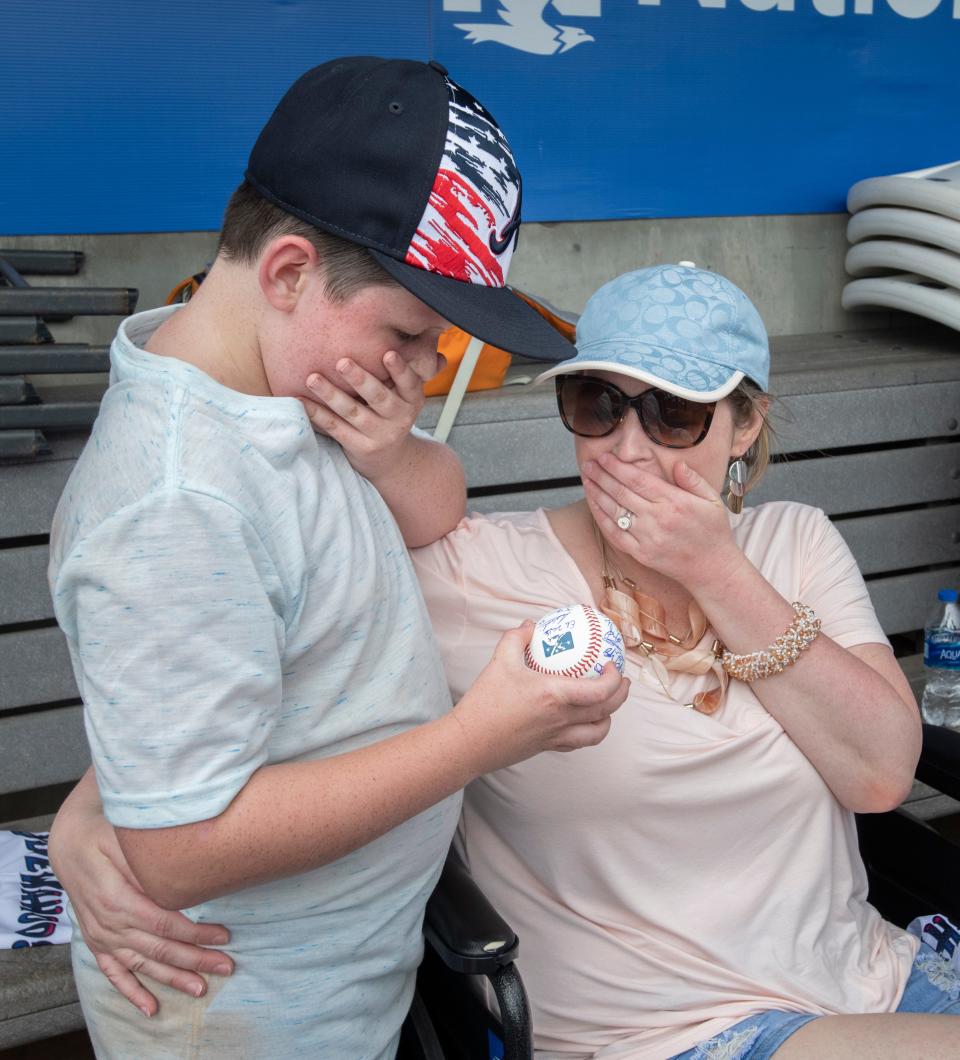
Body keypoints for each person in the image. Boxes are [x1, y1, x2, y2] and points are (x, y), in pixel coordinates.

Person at [53, 264, 957, 1059]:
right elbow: (245, 650)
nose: (628, 447)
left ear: (745, 425)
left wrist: (715, 568)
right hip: (655, 1032)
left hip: (870, 978)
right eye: (599, 404)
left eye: (674, 414)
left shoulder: (792, 543)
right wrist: (94, 807)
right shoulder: (476, 571)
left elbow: (880, 773)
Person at [45, 57, 629, 1059]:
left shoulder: (290, 387)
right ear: (287, 271)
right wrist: (481, 736)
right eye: (411, 331)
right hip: (247, 1009)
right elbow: (182, 851)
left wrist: (390, 450)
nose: (430, 365)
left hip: (346, 974)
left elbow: (430, 507)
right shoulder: (179, 496)